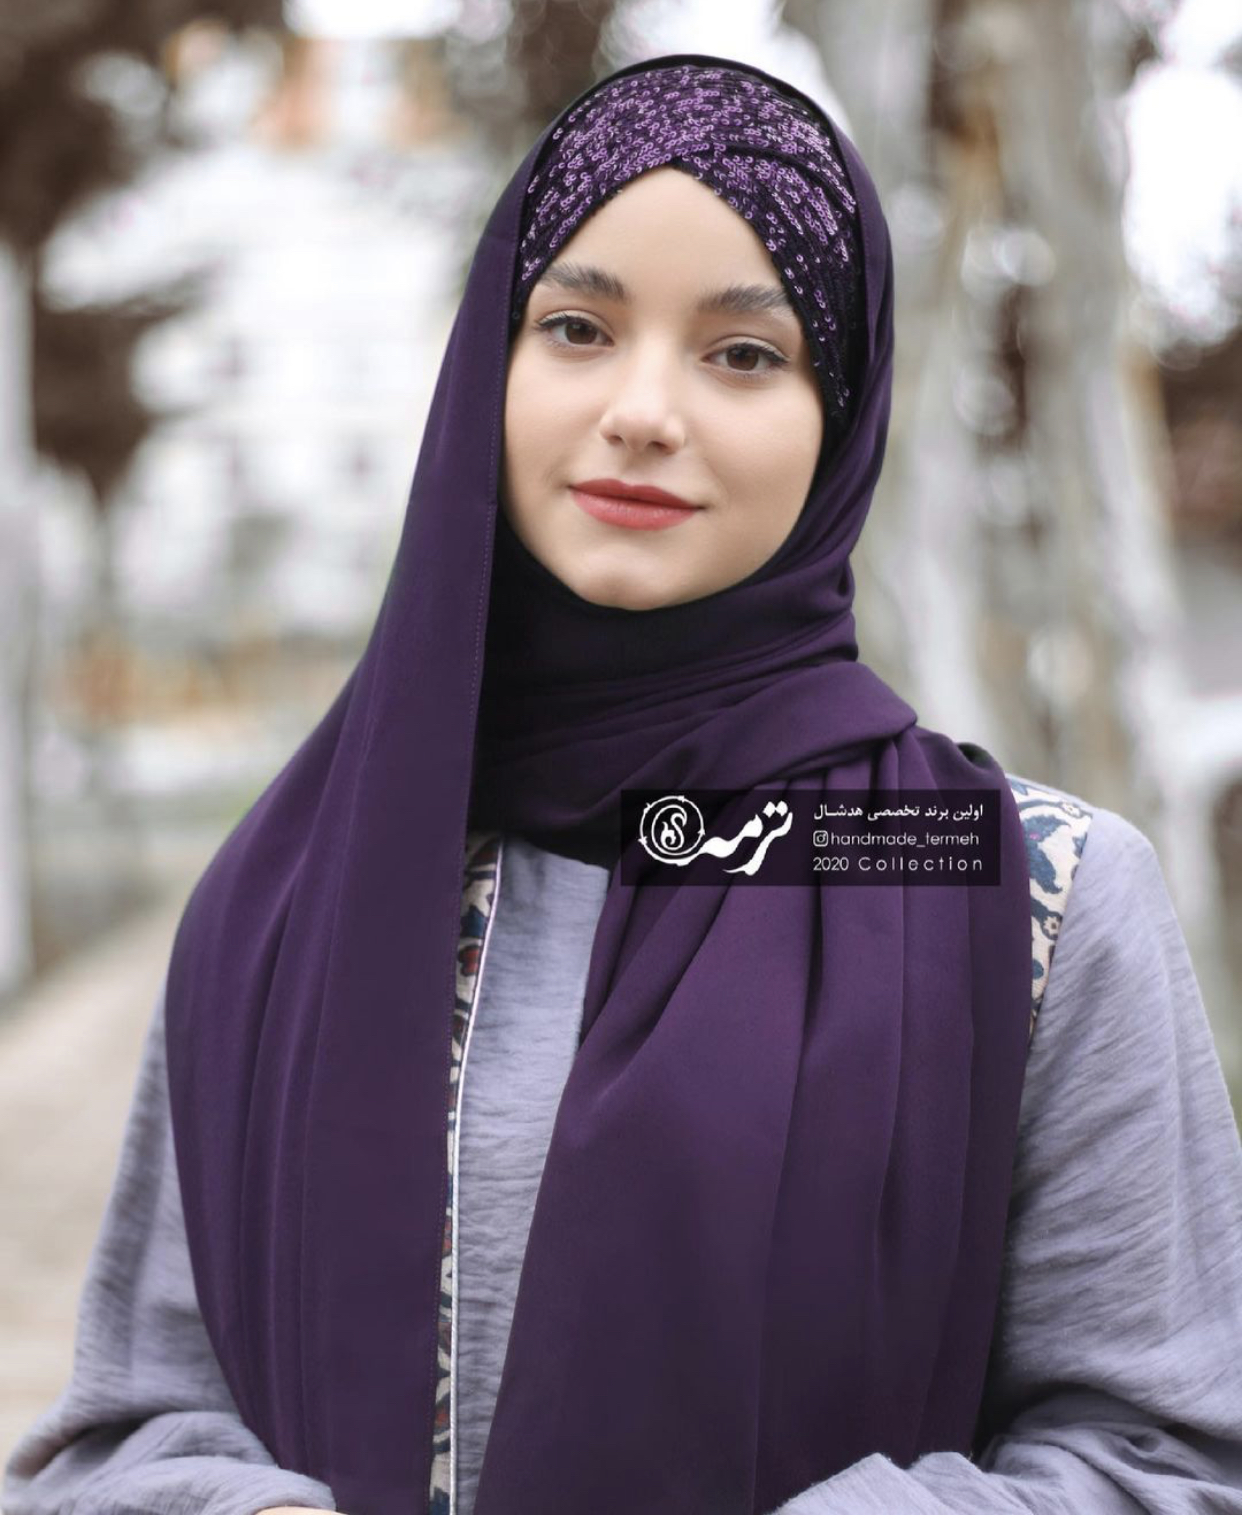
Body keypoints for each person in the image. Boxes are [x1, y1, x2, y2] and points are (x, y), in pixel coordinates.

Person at [5, 52, 1242, 1517]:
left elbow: (1165, 1462)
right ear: (491, 366)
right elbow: (128, 1438)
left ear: (841, 415)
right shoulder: (295, 891)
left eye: (745, 353)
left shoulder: (1008, 885)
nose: (644, 409)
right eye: (579, 328)